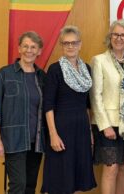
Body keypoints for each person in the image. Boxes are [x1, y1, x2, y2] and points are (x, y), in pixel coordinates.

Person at [0, 31, 46, 194]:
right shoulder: (4, 74)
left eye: (33, 47)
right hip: (13, 140)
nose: (29, 50)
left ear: (39, 51)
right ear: (19, 49)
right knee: (18, 185)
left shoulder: (42, 77)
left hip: (37, 141)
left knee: (30, 186)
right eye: (25, 46)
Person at [41, 25, 96, 194]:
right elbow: (48, 105)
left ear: (80, 44)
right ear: (61, 46)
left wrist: (90, 131)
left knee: (79, 177)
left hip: (81, 129)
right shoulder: (55, 70)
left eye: (74, 43)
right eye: (66, 43)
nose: (70, 46)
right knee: (61, 178)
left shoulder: (86, 69)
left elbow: (87, 104)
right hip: (61, 130)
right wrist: (53, 135)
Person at [90, 19, 124, 194]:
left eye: (123, 35)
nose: (119, 38)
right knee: (111, 169)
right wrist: (105, 126)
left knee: (123, 168)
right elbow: (95, 95)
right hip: (108, 125)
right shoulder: (99, 60)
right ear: (110, 37)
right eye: (115, 34)